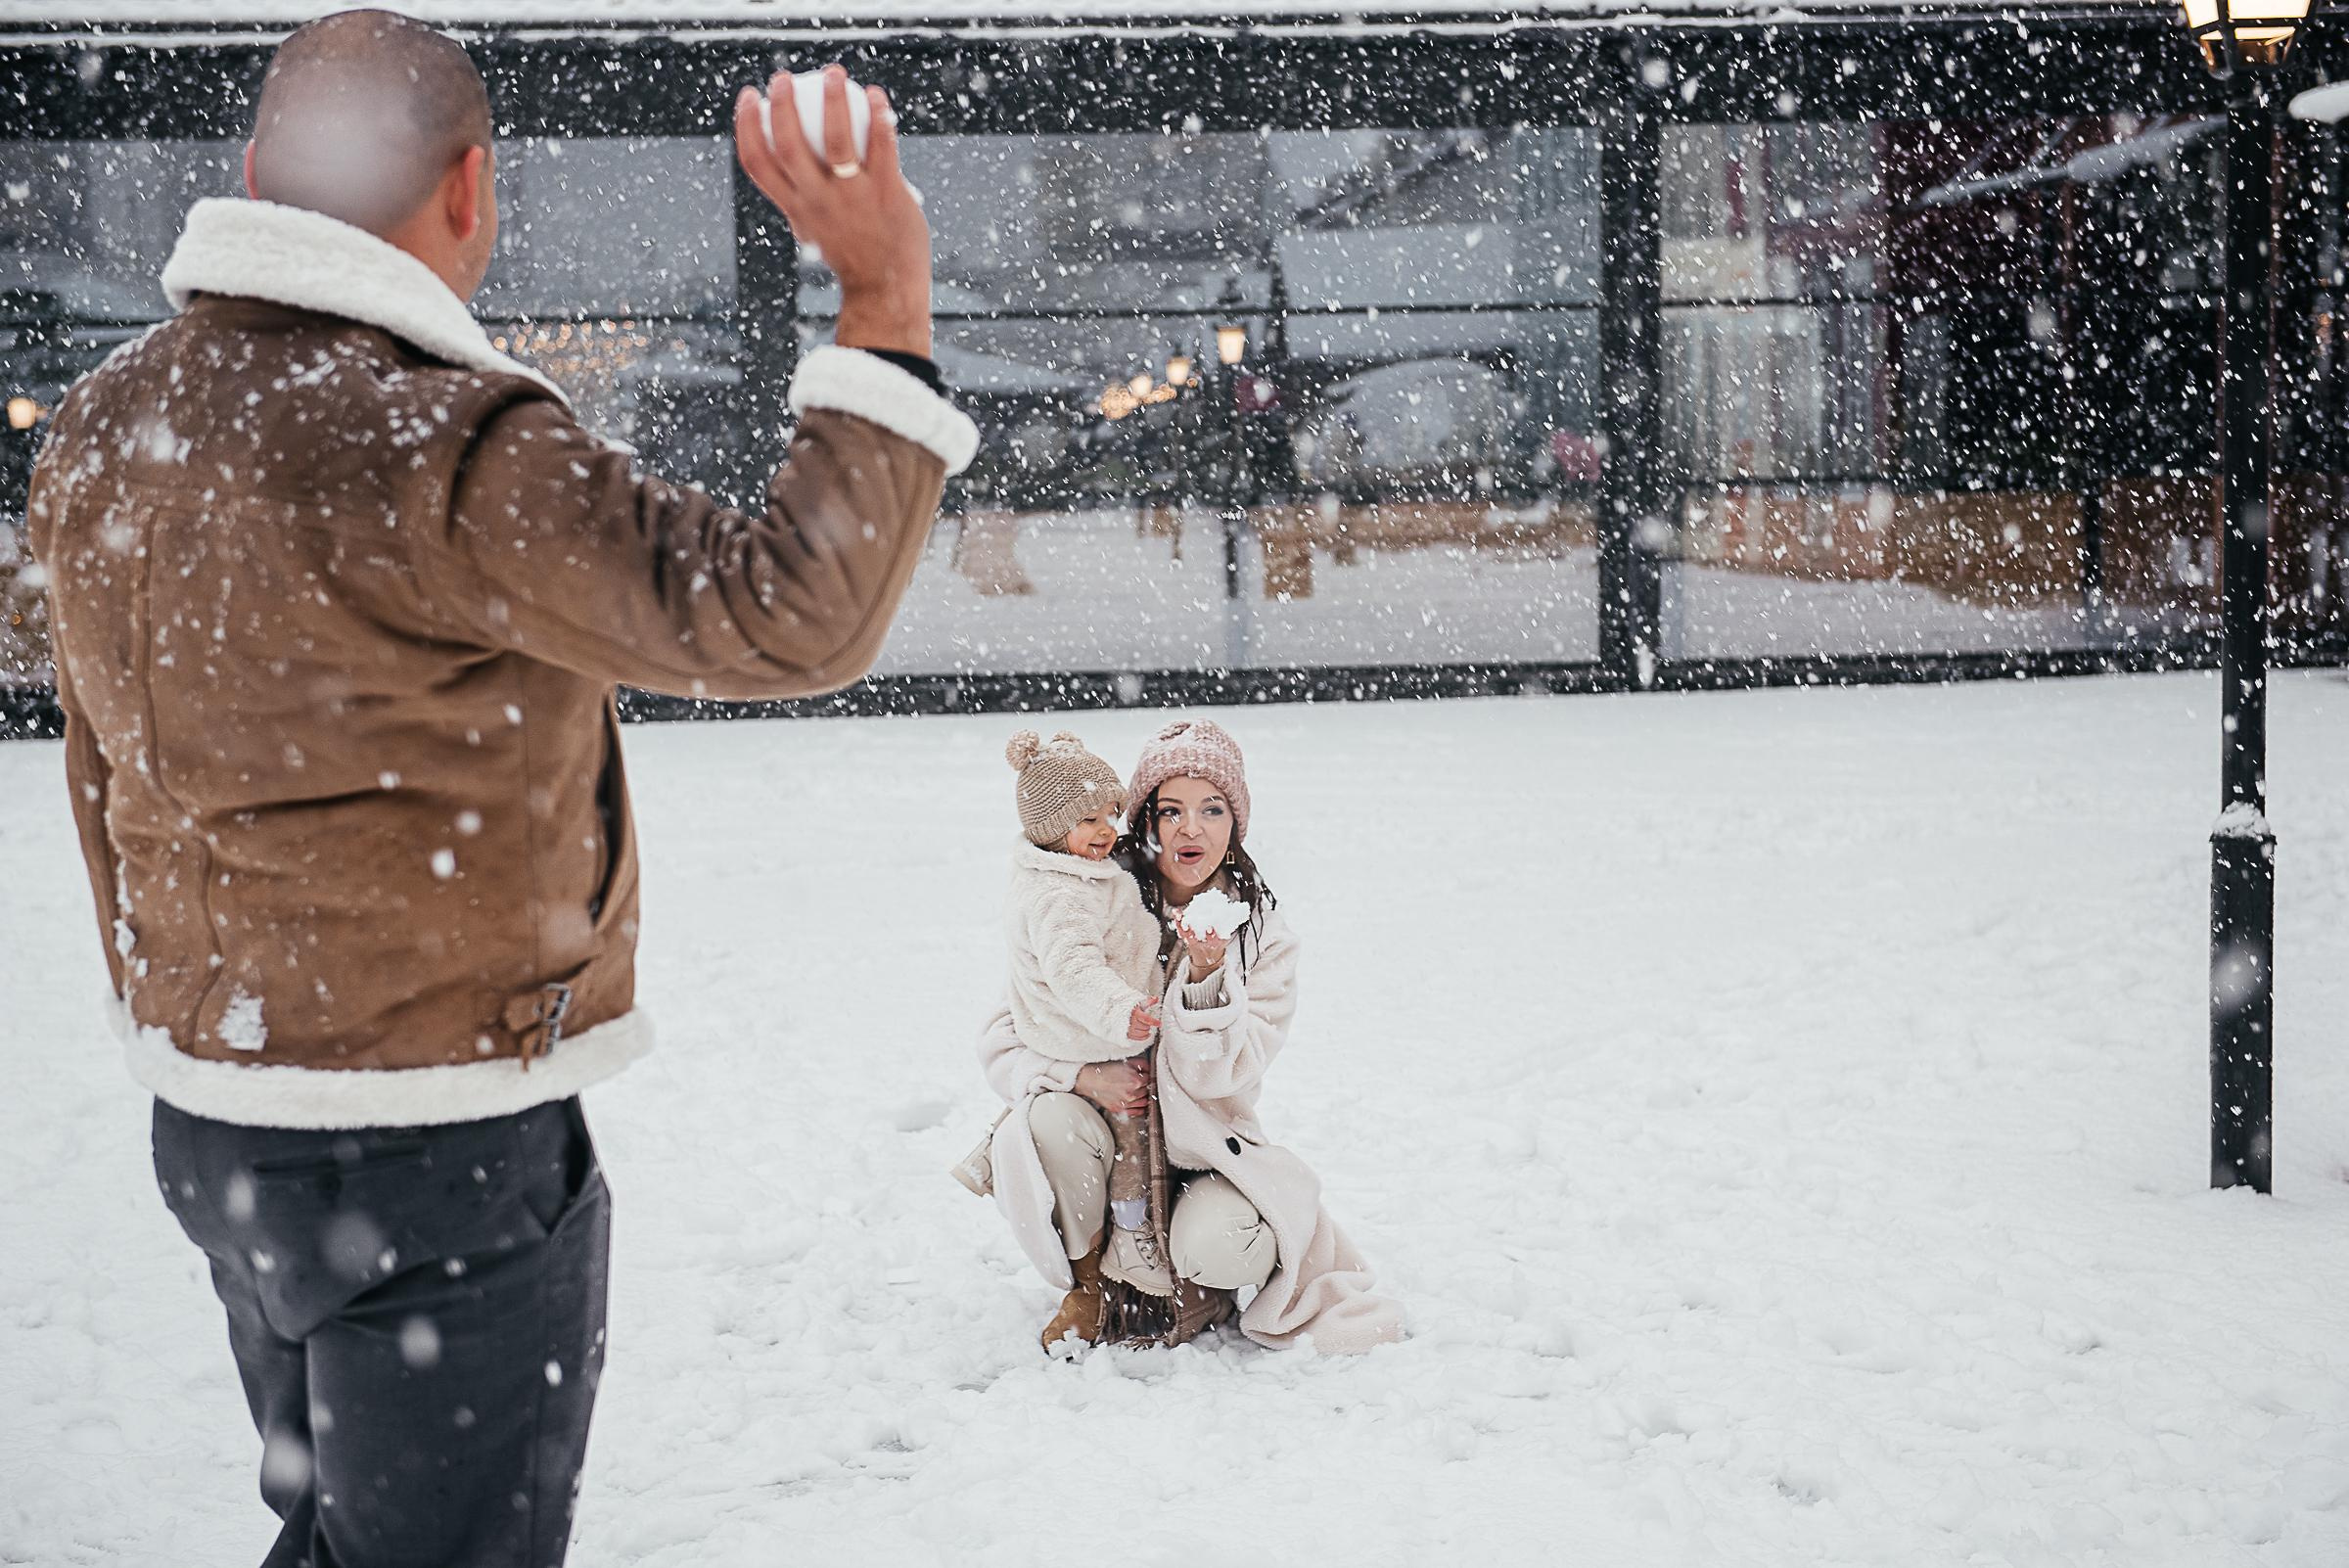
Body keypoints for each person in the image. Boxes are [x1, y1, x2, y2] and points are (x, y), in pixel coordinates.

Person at [23, 11, 975, 1566]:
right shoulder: (444, 441)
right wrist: (883, 294)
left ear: (258, 172)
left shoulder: (110, 422)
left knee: (333, 1529)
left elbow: (94, 767)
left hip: (216, 1124)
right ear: (472, 192)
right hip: (435, 1144)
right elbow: (783, 611)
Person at [977, 718, 1405, 1356]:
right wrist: (1083, 1077)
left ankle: (1194, 1279)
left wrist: (1206, 982)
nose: (1190, 828)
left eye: (1212, 809)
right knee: (1046, 1121)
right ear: (1142, 819)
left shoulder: (1262, 937)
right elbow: (1005, 1036)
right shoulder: (1091, 895)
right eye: (1170, 809)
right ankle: (1093, 1281)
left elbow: (1222, 1077)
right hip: (1108, 1141)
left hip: (1205, 1154)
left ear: (1236, 823)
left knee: (1215, 1245)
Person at [998, 729, 1175, 1307]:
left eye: (1110, 814)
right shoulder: (1059, 895)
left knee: (1139, 1132)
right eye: (1089, 820)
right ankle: (1127, 1237)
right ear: (1051, 829)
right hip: (1090, 1040)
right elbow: (1074, 969)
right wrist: (1122, 1011)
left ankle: (1133, 1230)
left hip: (1101, 1035)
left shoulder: (1082, 874)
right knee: (1132, 1136)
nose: (1107, 830)